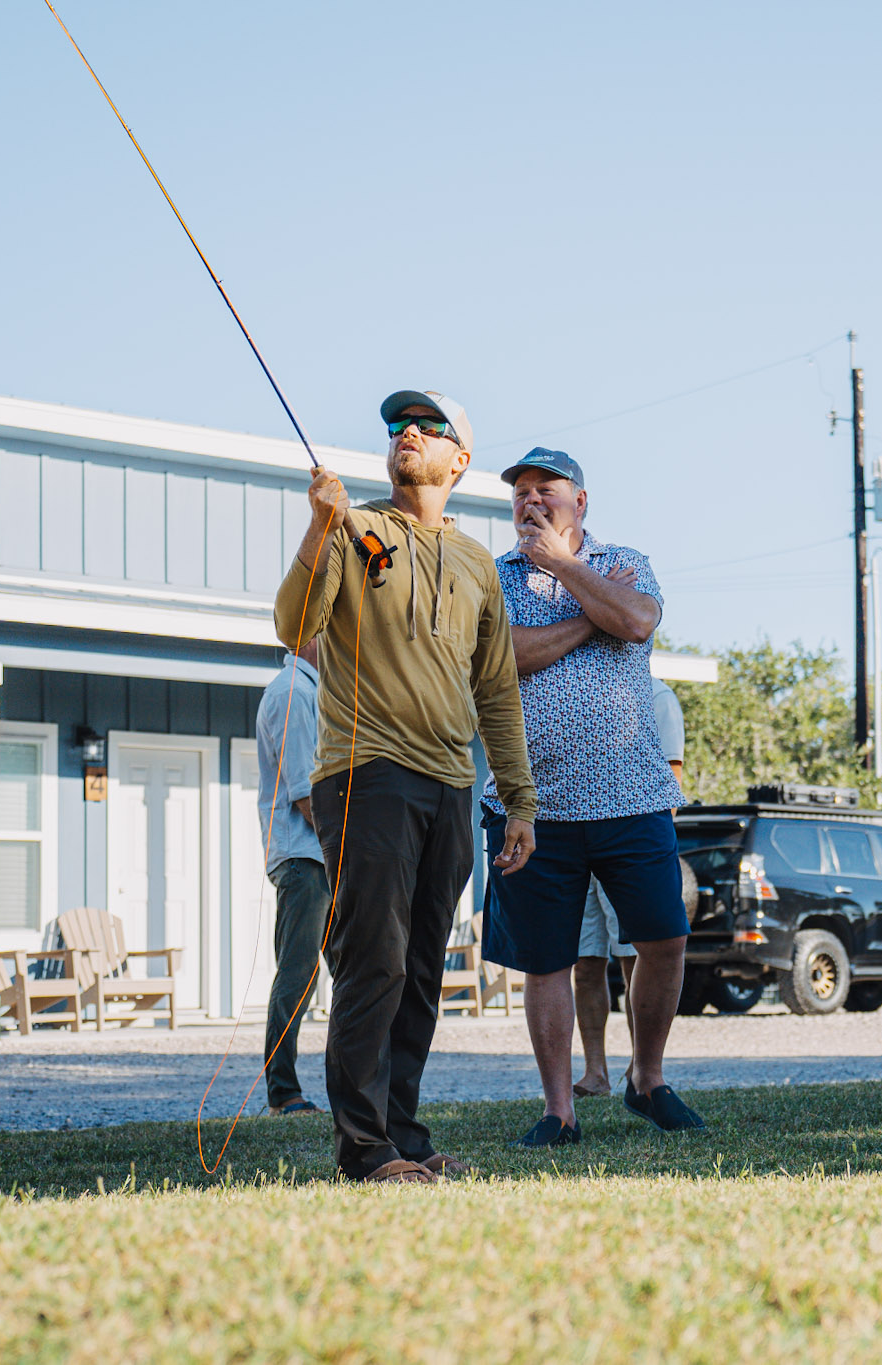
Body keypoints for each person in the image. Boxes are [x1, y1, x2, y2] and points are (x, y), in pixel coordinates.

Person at [274, 388, 538, 1183]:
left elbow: (496, 690)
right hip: (366, 771)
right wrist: (321, 528)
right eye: (397, 427)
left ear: (460, 459)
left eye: (427, 427)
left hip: (451, 784)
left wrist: (519, 799)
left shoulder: (477, 564)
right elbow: (294, 627)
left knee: (423, 966)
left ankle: (402, 1133)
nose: (407, 434)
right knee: (375, 961)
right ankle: (364, 1150)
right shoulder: (358, 529)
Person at [479, 447, 705, 1144]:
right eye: (519, 492)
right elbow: (502, 657)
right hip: (530, 803)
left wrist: (564, 570)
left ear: (581, 501)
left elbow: (637, 621)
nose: (529, 501)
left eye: (544, 489)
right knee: (546, 958)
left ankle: (648, 1078)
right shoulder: (492, 577)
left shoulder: (623, 561)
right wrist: (588, 622)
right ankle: (559, 1109)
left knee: (664, 939)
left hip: (632, 794)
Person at [573, 674, 686, 1099]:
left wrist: (648, 862)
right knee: (584, 964)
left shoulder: (656, 695)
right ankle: (595, 1072)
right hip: (573, 841)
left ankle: (641, 1069)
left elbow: (670, 778)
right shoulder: (578, 689)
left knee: (633, 959)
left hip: (628, 848)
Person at [254, 639, 327, 1116]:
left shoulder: (311, 691)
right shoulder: (293, 694)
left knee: (344, 972)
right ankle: (283, 1093)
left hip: (319, 856)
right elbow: (306, 795)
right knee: (298, 975)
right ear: (307, 636)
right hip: (306, 857)